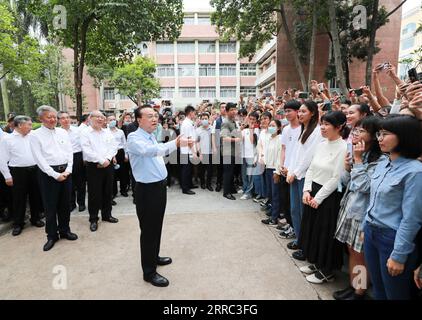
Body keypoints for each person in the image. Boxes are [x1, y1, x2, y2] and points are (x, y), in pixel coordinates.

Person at [127, 105, 192, 287]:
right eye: (149, 116)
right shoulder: (134, 138)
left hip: (158, 188)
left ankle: (153, 257)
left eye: (155, 116)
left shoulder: (151, 137)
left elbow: (157, 152)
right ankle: (149, 272)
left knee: (156, 226)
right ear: (139, 120)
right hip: (146, 190)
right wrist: (175, 143)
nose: (155, 119)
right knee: (148, 230)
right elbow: (151, 152)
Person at [363, 115, 422, 300]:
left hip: (392, 238)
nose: (379, 138)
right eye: (379, 133)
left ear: (404, 136)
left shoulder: (415, 172)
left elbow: (411, 218)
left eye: (386, 134)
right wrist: (366, 224)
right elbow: (372, 198)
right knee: (378, 289)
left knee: (395, 293)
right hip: (371, 231)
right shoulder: (383, 162)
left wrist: (398, 255)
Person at [333, 117, 385, 300]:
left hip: (363, 213)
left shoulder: (381, 160)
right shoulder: (358, 152)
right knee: (351, 251)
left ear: (373, 136)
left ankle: (359, 291)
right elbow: (346, 183)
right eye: (355, 130)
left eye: (361, 131)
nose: (355, 134)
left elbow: (366, 187)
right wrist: (348, 167)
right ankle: (353, 285)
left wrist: (356, 161)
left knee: (361, 255)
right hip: (350, 207)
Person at [297, 111, 348, 284]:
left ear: (339, 127)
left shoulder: (344, 147)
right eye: (322, 124)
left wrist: (318, 198)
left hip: (328, 196)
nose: (323, 128)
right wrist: (306, 190)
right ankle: (316, 263)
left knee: (324, 234)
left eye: (327, 124)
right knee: (311, 230)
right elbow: (311, 168)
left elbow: (336, 178)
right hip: (312, 191)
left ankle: (327, 270)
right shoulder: (321, 144)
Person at [30, 106, 78, 251]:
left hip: (66, 172)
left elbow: (70, 152)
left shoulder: (63, 132)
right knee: (50, 206)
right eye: (48, 117)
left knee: (65, 204)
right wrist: (55, 174)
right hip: (48, 175)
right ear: (40, 119)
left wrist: (68, 170)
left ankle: (65, 230)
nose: (52, 120)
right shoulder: (35, 135)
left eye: (54, 117)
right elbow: (39, 159)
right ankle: (51, 235)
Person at [286, 100, 323, 249]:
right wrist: (290, 171)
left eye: (303, 111)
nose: (300, 114)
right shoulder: (304, 130)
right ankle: (299, 238)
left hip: (304, 177)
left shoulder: (317, 131)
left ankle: (304, 244)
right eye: (299, 111)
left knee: (303, 213)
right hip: (295, 175)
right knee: (294, 210)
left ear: (313, 113)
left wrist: (295, 173)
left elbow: (309, 156)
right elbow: (296, 154)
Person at [0, 116, 44, 236]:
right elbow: (2, 159)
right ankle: (18, 223)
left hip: (34, 170)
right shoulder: (7, 139)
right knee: (19, 198)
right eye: (29, 125)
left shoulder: (33, 136)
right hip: (17, 172)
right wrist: (7, 176)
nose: (31, 127)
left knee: (35, 196)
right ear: (20, 125)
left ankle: (35, 218)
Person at [80, 111, 119, 232]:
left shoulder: (107, 132)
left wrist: (107, 159)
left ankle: (107, 215)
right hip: (94, 166)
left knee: (108, 191)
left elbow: (114, 147)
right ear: (90, 118)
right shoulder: (85, 133)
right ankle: (93, 219)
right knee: (94, 193)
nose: (101, 119)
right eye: (98, 117)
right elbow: (87, 150)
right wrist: (102, 160)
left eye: (102, 117)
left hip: (108, 166)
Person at [58, 111, 86, 212]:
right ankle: (71, 203)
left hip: (77, 156)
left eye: (67, 117)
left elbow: (83, 145)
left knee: (80, 182)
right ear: (59, 120)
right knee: (69, 182)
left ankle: (81, 203)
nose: (66, 120)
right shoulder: (57, 132)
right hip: (64, 159)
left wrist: (84, 158)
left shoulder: (77, 130)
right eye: (63, 118)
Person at [220, 103, 242, 200]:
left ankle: (231, 188)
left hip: (233, 151)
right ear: (227, 111)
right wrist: (235, 140)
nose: (234, 111)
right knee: (228, 172)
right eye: (232, 109)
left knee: (231, 171)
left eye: (235, 109)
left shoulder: (233, 122)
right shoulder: (226, 122)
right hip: (227, 152)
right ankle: (226, 192)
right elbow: (224, 138)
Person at [107, 115, 129, 198]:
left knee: (123, 172)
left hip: (120, 152)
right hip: (110, 154)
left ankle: (123, 190)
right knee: (112, 174)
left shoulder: (120, 132)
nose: (112, 121)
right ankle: (113, 192)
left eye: (113, 119)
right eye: (110, 119)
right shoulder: (105, 132)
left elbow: (125, 143)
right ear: (107, 121)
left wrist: (126, 154)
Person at [196, 112, 213, 191]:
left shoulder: (212, 129)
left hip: (210, 153)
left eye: (206, 118)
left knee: (210, 170)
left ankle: (208, 184)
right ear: (200, 120)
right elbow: (197, 142)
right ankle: (202, 183)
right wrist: (200, 153)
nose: (204, 120)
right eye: (202, 119)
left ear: (208, 119)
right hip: (202, 153)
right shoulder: (198, 130)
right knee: (201, 170)